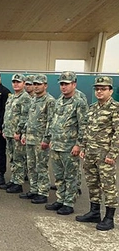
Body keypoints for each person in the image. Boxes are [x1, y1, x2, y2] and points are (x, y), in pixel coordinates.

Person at [76, 76, 119, 231]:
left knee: (108, 186)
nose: (99, 91)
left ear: (111, 90)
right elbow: (87, 130)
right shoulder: (93, 108)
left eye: (103, 88)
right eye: (97, 89)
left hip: (105, 155)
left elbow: (117, 133)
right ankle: (94, 212)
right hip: (91, 154)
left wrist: (112, 154)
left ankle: (109, 218)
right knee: (92, 184)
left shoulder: (115, 108)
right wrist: (83, 148)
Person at [45, 71, 88, 215]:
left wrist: (78, 144)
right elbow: (53, 121)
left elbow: (83, 125)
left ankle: (69, 203)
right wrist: (50, 139)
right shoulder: (59, 101)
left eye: (66, 84)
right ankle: (60, 199)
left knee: (71, 176)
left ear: (74, 84)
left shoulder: (79, 103)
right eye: (62, 84)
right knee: (58, 175)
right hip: (57, 145)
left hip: (70, 147)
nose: (63, 87)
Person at [20, 74, 55, 204]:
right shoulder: (33, 99)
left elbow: (51, 122)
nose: (36, 86)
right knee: (31, 166)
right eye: (34, 84)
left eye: (39, 84)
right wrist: (24, 134)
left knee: (41, 166)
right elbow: (28, 119)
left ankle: (43, 192)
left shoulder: (49, 101)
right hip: (30, 138)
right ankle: (34, 189)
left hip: (40, 140)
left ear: (45, 85)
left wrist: (47, 139)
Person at [0, 74, 31, 194]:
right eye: (14, 82)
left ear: (23, 83)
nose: (16, 84)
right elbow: (7, 114)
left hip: (17, 134)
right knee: (12, 157)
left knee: (19, 158)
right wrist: (4, 129)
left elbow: (25, 117)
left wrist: (19, 131)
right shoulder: (11, 97)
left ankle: (18, 183)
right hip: (9, 132)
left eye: (18, 82)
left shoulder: (25, 98)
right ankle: (13, 179)